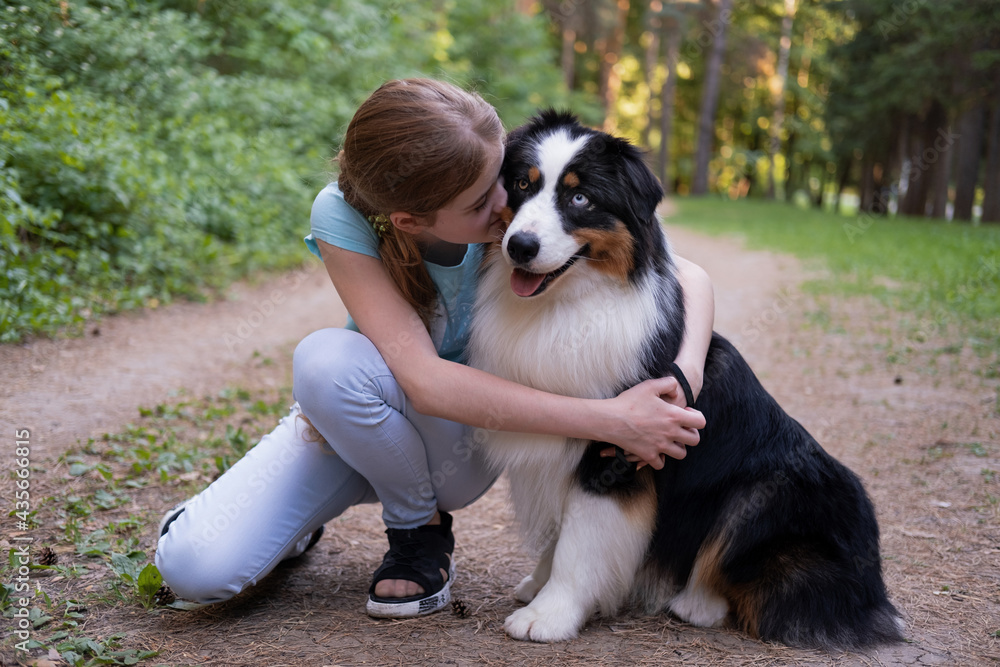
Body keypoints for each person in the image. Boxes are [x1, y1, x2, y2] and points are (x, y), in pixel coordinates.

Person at [155, 78, 714, 619]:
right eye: (482, 201)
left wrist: (684, 377)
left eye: (505, 177)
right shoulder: (343, 213)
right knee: (194, 565)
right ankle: (284, 523)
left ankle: (417, 531)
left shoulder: (515, 205)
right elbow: (424, 380)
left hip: (455, 452)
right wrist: (610, 420)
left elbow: (685, 275)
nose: (509, 207)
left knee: (333, 373)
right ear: (409, 219)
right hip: (360, 417)